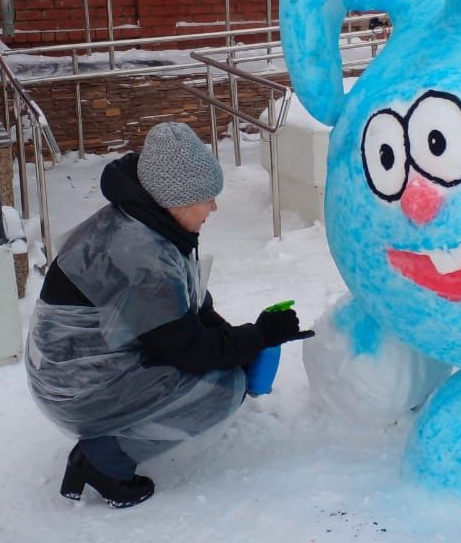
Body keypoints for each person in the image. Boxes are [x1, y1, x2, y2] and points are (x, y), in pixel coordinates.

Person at [25, 122, 313, 509]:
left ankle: (107, 447)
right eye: (207, 198)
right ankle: (103, 460)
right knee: (219, 391)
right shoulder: (140, 254)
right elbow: (188, 350)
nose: (214, 207)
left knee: (224, 366)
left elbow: (190, 308)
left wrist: (242, 339)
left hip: (87, 361)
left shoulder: (145, 223)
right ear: (175, 199)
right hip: (79, 386)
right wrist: (257, 337)